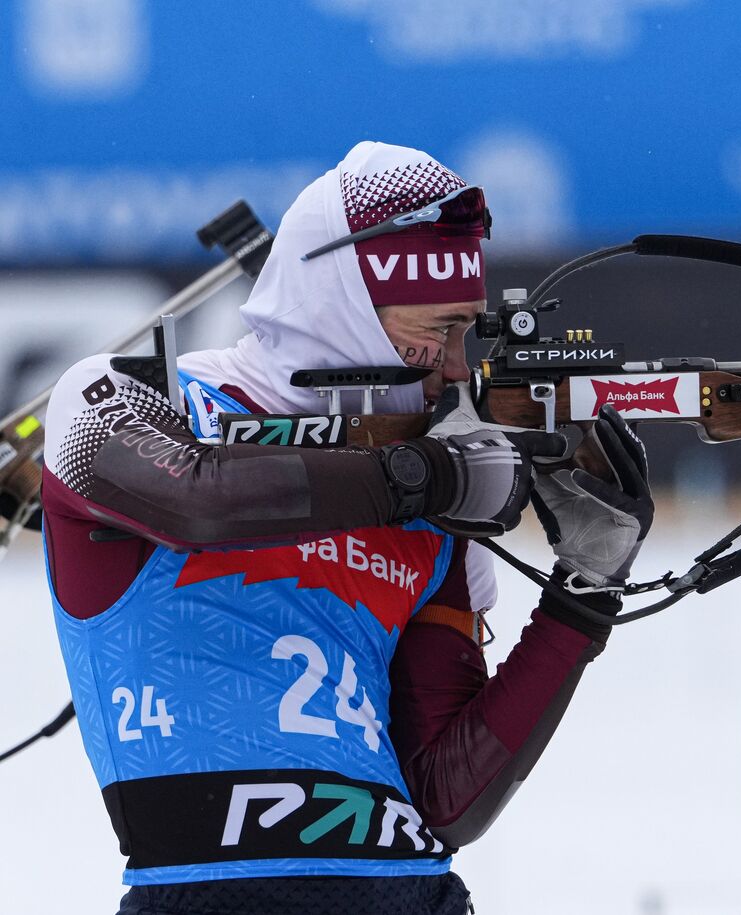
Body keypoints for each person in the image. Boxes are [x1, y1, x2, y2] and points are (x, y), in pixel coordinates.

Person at [40, 141, 653, 915]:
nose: (457, 370)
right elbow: (199, 501)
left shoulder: (435, 505)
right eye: (435, 333)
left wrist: (583, 595)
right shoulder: (120, 398)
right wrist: (433, 477)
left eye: (469, 332)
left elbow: (446, 803)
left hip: (413, 892)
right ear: (344, 314)